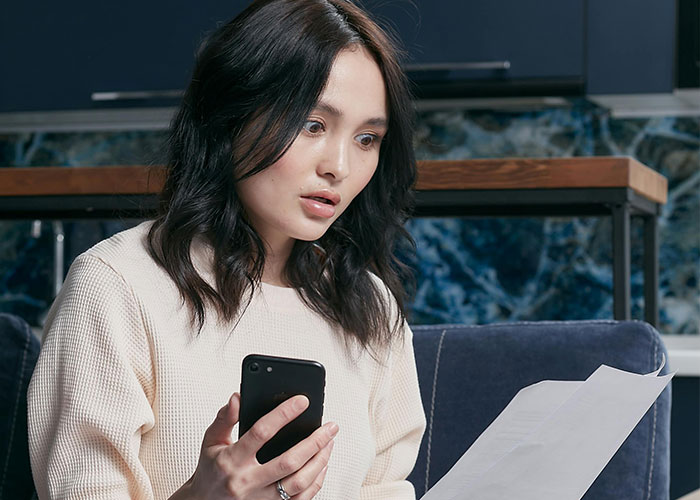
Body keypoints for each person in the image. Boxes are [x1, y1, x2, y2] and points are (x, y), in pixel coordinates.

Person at [27, 0, 426, 498]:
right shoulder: (116, 285)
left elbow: (386, 488)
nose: (340, 167)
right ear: (231, 115)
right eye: (313, 125)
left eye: (367, 138)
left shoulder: (370, 305)